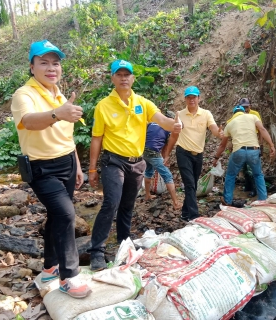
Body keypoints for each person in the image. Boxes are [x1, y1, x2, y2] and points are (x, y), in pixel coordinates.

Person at [10, 40, 91, 298]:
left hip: (66, 162)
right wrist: (58, 113)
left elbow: (67, 137)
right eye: (43, 62)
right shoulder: (25, 94)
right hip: (41, 168)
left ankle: (48, 269)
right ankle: (69, 276)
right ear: (32, 67)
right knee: (67, 215)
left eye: (55, 63)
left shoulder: (59, 94)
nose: (51, 67)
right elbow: (28, 121)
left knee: (58, 217)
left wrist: (77, 165)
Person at [87, 60, 182, 271]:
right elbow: (96, 138)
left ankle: (123, 244)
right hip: (113, 161)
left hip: (137, 163)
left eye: (127, 74)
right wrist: (92, 169)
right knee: (111, 202)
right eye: (119, 74)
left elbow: (161, 120)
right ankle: (97, 252)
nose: (123, 78)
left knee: (128, 206)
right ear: (112, 78)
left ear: (132, 78)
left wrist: (174, 125)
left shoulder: (142, 103)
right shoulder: (103, 106)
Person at [164, 86, 223, 222]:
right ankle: (194, 216)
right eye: (189, 97)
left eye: (194, 97)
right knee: (190, 184)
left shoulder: (206, 114)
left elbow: (213, 128)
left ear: (199, 98)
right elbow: (173, 136)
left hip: (198, 154)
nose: (191, 100)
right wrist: (167, 154)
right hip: (183, 153)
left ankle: (185, 213)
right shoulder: (180, 114)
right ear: (185, 99)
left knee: (193, 185)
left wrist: (218, 133)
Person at [213, 105, 276, 205]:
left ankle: (227, 200)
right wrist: (271, 145)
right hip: (254, 151)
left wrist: (216, 158)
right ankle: (263, 200)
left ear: (234, 114)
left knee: (230, 175)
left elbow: (222, 145)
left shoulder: (230, 124)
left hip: (239, 151)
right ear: (243, 112)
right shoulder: (252, 117)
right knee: (258, 174)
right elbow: (262, 130)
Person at [143, 110, 183, 210]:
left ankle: (147, 195)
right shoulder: (168, 127)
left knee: (148, 171)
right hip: (154, 153)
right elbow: (165, 147)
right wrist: (165, 159)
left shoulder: (151, 123)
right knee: (168, 176)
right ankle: (176, 203)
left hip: (144, 151)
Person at [228, 98, 263, 197]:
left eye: (247, 107)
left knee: (253, 169)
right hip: (240, 143)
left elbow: (261, 130)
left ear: (250, 106)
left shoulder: (254, 114)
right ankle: (248, 186)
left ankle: (254, 189)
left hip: (252, 142)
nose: (245, 109)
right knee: (244, 167)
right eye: (243, 107)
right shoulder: (238, 115)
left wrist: (261, 145)